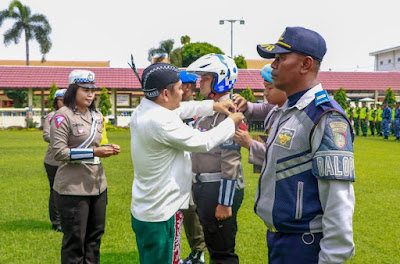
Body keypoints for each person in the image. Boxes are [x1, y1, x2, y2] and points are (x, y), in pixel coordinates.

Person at [254, 26, 355, 264]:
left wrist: (332, 258)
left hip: (304, 246)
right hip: (282, 241)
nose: (273, 66)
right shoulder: (288, 110)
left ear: (305, 64)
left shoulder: (324, 116)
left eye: (280, 58)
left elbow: (338, 200)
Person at [129, 62, 244, 264]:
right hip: (160, 213)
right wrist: (231, 121)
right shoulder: (160, 122)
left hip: (148, 208)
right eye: (180, 88)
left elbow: (181, 109)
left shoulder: (146, 109)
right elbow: (204, 141)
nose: (183, 92)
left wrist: (213, 106)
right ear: (165, 93)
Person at [50, 70, 121, 264]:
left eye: (92, 90)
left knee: (94, 238)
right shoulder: (62, 116)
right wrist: (94, 153)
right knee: (75, 240)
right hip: (72, 187)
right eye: (85, 90)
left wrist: (107, 148)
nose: (90, 94)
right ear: (73, 90)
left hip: (97, 185)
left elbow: (95, 145)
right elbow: (59, 153)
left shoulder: (96, 116)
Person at [186, 54, 245, 264]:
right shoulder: (209, 109)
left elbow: (231, 159)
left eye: (205, 77)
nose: (199, 81)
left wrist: (225, 202)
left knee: (222, 253)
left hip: (219, 189)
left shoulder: (228, 112)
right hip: (205, 188)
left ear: (220, 79)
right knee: (213, 247)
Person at [179, 71, 207, 264]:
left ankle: (199, 251)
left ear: (187, 87)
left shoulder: (197, 110)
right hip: (179, 168)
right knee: (186, 211)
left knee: (191, 210)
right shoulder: (171, 108)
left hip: (195, 168)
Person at [233, 64, 287, 167]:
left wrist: (250, 143)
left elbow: (281, 155)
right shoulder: (276, 107)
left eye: (269, 88)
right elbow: (258, 109)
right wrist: (245, 105)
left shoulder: (293, 115)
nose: (265, 93)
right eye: (265, 87)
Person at [43, 88, 66, 232]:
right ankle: (56, 222)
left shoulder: (73, 116)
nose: (64, 103)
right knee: (55, 191)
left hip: (69, 160)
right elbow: (46, 135)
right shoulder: (52, 116)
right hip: (54, 160)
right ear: (56, 101)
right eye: (61, 100)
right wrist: (61, 138)